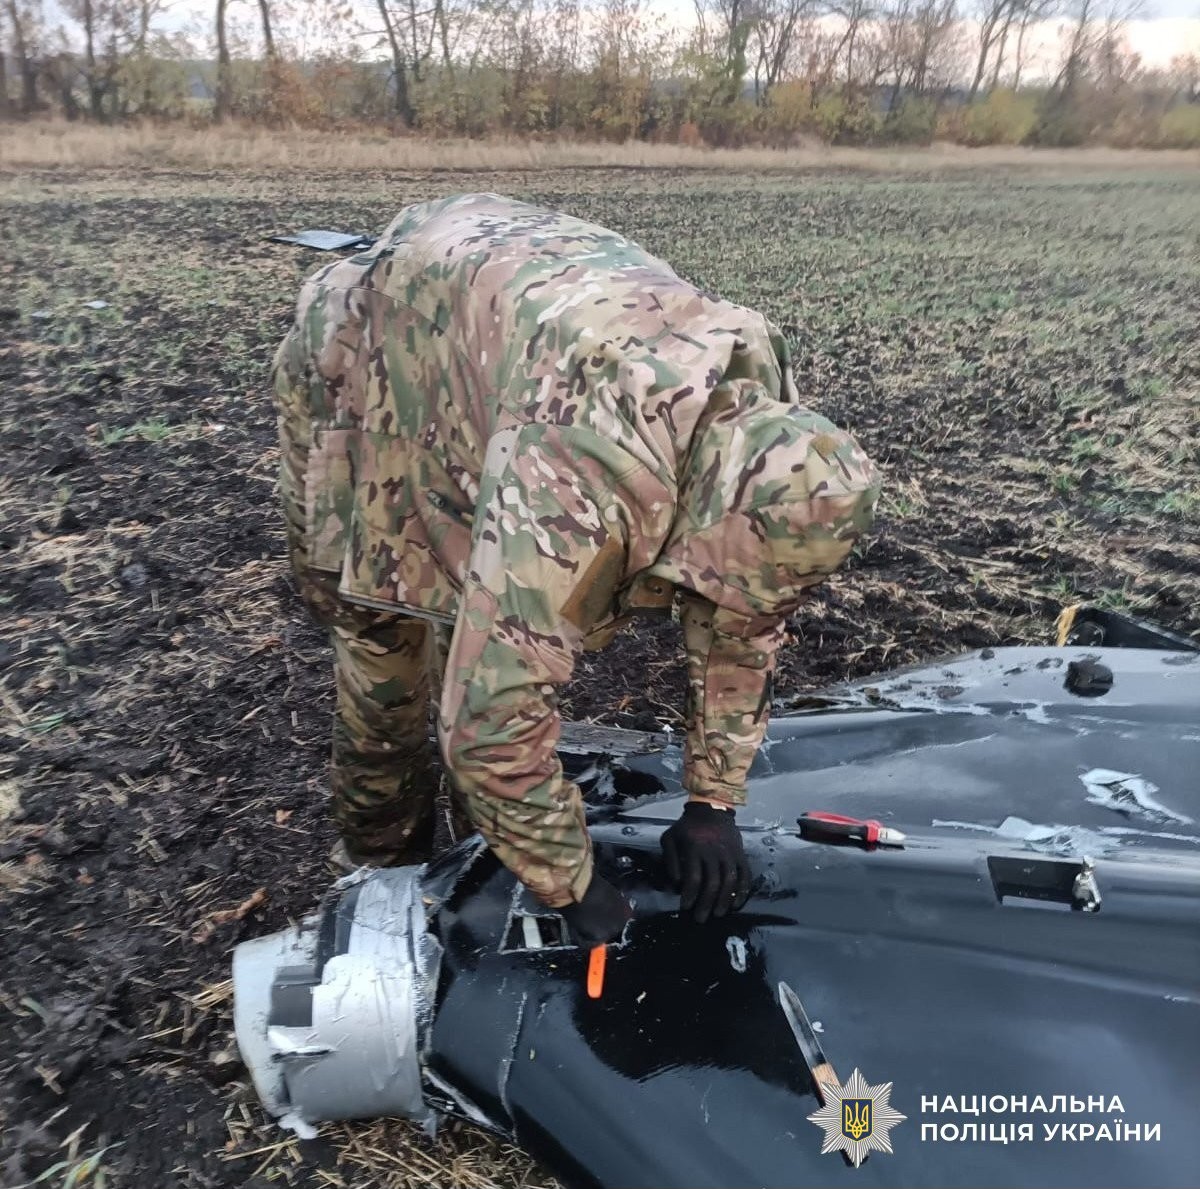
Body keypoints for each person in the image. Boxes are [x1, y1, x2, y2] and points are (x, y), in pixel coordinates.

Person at [271, 193, 879, 946]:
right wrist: (575, 886)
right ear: (696, 512)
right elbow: (491, 722)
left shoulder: (772, 436)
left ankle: (485, 848)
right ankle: (379, 894)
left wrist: (712, 801)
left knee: (482, 646)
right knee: (384, 655)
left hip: (508, 353)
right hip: (374, 351)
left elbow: (742, 625)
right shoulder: (580, 479)